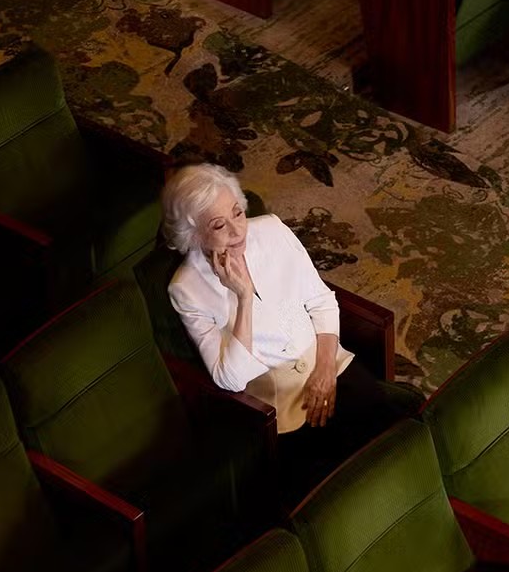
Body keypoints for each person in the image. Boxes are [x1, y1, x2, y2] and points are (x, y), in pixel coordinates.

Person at [163, 162, 406, 502]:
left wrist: (324, 370)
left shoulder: (272, 231)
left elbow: (321, 301)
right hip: (279, 405)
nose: (237, 231)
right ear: (194, 235)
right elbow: (230, 378)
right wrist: (243, 297)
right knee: (332, 492)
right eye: (219, 225)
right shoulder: (186, 289)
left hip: (329, 366)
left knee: (393, 446)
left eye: (238, 213)